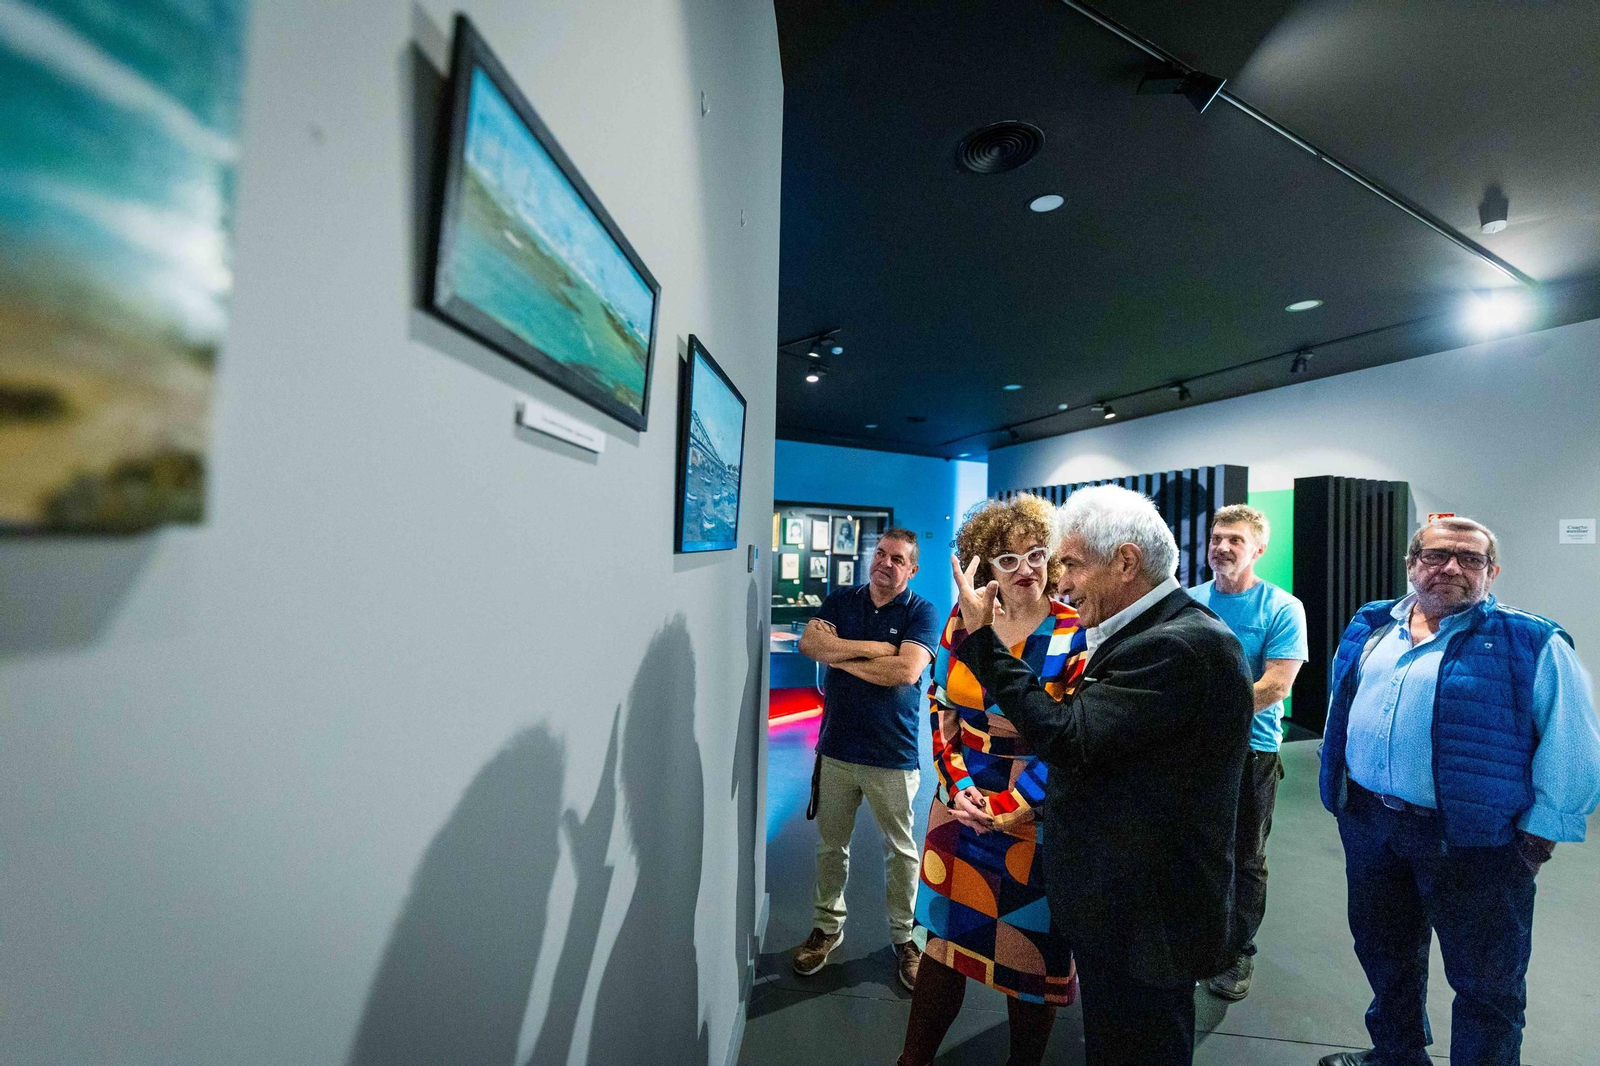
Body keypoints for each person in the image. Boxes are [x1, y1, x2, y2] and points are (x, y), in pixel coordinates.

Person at [950, 484, 1254, 1066]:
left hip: (1146, 918)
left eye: (1068, 563)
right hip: (1126, 906)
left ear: (1125, 562)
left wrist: (984, 643)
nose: (1057, 579)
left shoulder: (1177, 646)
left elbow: (1069, 738)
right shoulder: (1155, 632)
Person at [1315, 516, 1600, 1066]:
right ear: (1411, 564)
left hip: (1475, 842)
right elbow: (1342, 708)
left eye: (1470, 559)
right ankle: (1396, 1055)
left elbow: (1572, 746)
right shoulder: (1371, 624)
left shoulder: (1531, 641)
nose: (1451, 567)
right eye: (1436, 555)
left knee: (1486, 984)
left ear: (1492, 572)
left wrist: (1538, 838)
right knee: (1385, 954)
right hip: (1372, 826)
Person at [898, 495, 1089, 1066]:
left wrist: (1014, 802)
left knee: (1031, 959)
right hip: (958, 810)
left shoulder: (1076, 631)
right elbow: (941, 710)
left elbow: (1075, 735)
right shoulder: (963, 621)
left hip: (1035, 817)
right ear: (985, 566)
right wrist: (957, 785)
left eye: (1035, 554)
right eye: (1007, 560)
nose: (1025, 568)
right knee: (943, 946)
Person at [790, 528, 941, 990]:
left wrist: (843, 657)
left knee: (901, 853)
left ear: (911, 569)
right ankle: (827, 927)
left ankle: (905, 938)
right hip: (836, 750)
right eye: (880, 554)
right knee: (830, 847)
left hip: (891, 756)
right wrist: (874, 650)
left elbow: (906, 670)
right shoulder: (841, 601)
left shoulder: (922, 611)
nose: (885, 563)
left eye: (897, 559)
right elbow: (810, 646)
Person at [1188, 504, 1308, 1000]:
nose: (1222, 547)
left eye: (1235, 540)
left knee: (1245, 856)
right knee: (1193, 849)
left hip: (1251, 753)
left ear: (1257, 549)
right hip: (1188, 752)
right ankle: (1196, 941)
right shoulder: (1188, 601)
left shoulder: (1282, 608)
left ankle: (1237, 953)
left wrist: (1202, 713)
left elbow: (1276, 685)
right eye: (1217, 537)